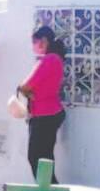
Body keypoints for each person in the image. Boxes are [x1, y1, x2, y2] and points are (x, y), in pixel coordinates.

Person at [18, 26, 66, 181]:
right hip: (50, 113)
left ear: (44, 41)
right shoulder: (55, 59)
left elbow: (25, 86)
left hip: (44, 115)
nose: (33, 45)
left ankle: (49, 190)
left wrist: (27, 92)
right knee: (44, 158)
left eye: (35, 41)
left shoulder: (49, 59)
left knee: (36, 157)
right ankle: (50, 190)